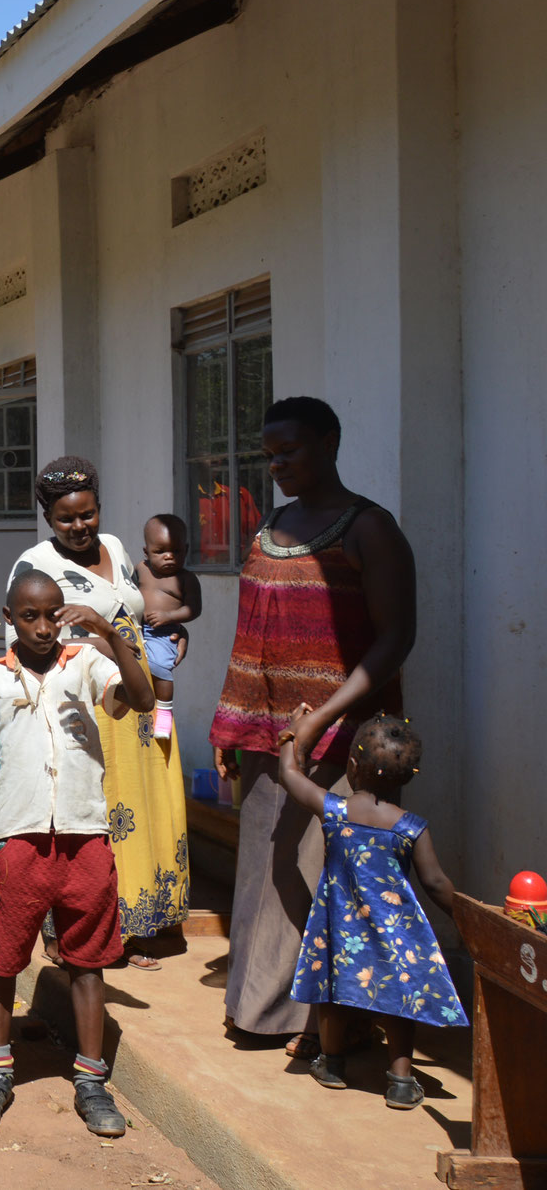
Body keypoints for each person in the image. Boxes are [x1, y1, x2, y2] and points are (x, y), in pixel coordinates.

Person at [211, 396, 416, 1049]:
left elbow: (396, 639)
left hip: (344, 739)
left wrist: (324, 716)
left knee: (330, 872)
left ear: (330, 442)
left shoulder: (369, 529)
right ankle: (262, 1006)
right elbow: (252, 634)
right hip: (268, 735)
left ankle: (328, 1020)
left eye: (290, 451)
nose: (277, 465)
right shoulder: (272, 524)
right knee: (268, 869)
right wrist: (233, 728)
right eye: (269, 455)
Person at [0, 569, 154, 1138]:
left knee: (88, 958)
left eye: (53, 615)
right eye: (30, 617)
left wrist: (109, 634)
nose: (44, 628)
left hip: (83, 833)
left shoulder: (88, 664)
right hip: (17, 836)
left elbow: (142, 700)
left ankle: (91, 1081)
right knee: (2, 957)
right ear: (8, 617)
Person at [11, 457, 188, 968]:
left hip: (138, 693)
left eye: (88, 514)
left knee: (147, 804)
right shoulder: (34, 564)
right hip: (88, 704)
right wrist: (101, 643)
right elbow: (34, 638)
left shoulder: (113, 546)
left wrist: (169, 637)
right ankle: (93, 931)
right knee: (100, 814)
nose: (79, 526)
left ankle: (139, 924)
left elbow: (135, 610)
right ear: (48, 517)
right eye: (67, 518)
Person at [283, 716, 461, 1107]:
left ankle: (330, 1064)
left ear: (351, 766)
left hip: (339, 926)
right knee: (401, 994)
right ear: (405, 779)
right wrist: (469, 916)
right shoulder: (411, 827)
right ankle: (400, 1080)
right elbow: (434, 883)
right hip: (396, 930)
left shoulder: (334, 810)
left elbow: (291, 774)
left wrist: (293, 734)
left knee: (331, 991)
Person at [137, 514, 201, 737]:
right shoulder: (140, 570)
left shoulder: (186, 579)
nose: (169, 557)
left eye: (176, 551)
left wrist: (169, 616)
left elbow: (193, 609)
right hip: (137, 630)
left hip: (164, 633)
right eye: (160, 551)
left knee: (161, 669)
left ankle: (164, 713)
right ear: (146, 552)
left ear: (186, 549)